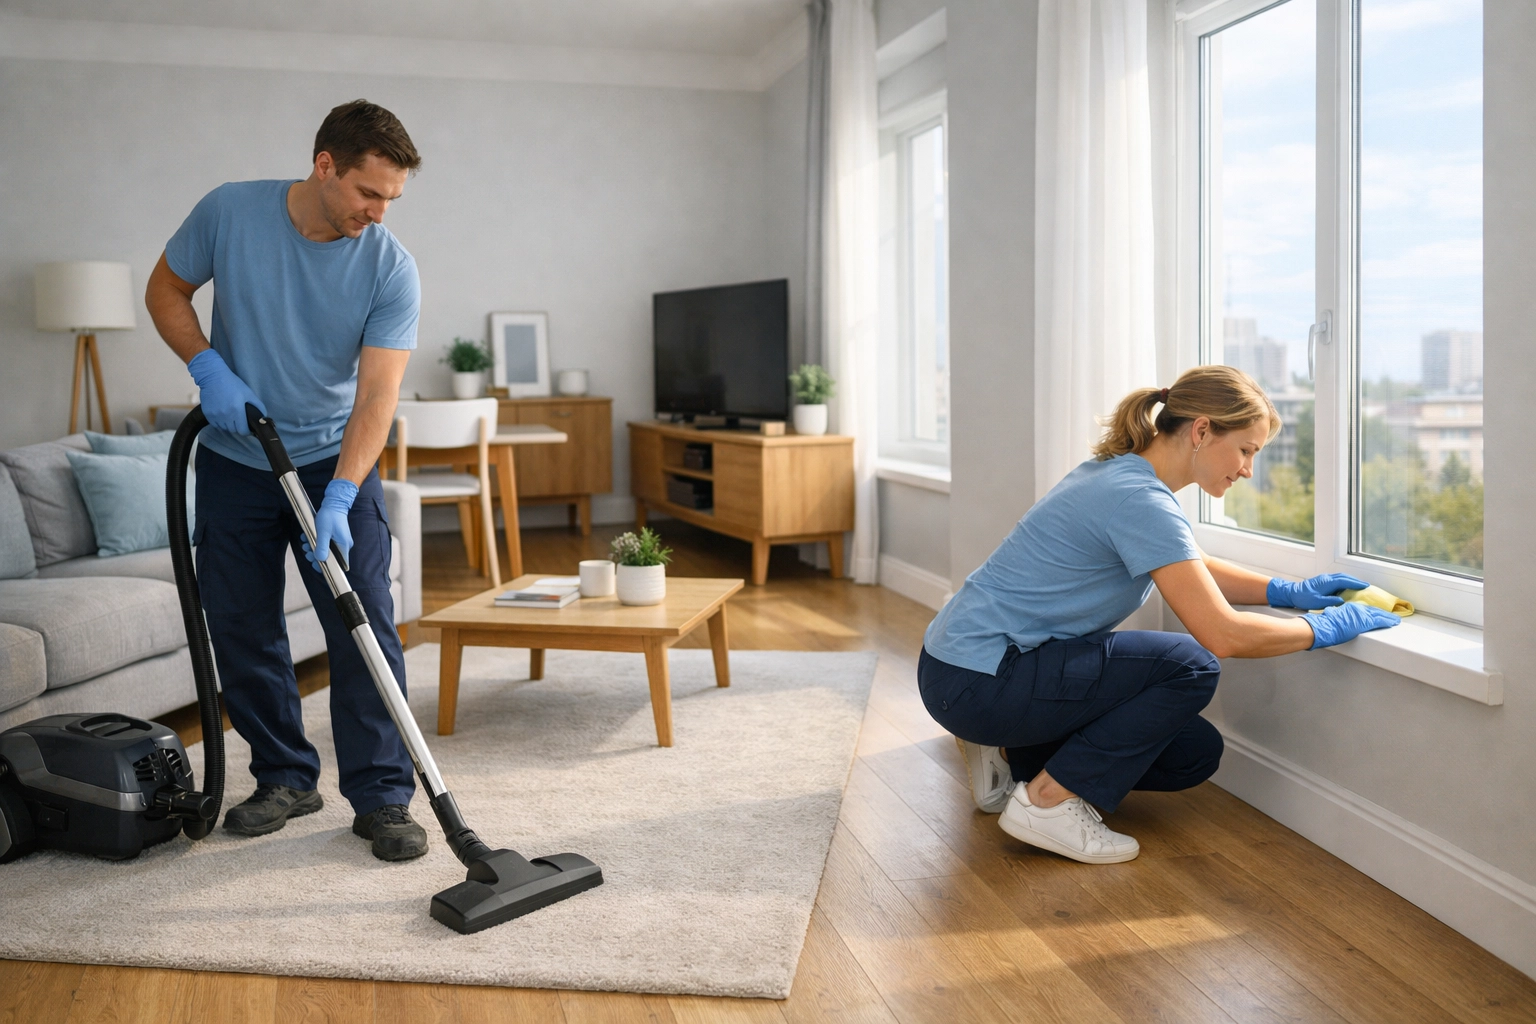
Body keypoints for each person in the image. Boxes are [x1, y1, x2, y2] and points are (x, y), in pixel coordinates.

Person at [919, 365, 1401, 865]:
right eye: (1246, 450)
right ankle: (1045, 804)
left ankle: (1008, 753)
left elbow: (1189, 563)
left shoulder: (1118, 474)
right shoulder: (1138, 498)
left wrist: (1286, 590)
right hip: (982, 679)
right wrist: (1324, 628)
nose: (1247, 470)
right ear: (1201, 430)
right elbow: (1223, 635)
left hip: (960, 668)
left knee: (1192, 752)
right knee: (1191, 664)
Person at [144, 100, 428, 860]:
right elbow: (164, 290)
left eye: (391, 200)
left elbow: (377, 398)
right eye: (369, 193)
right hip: (239, 457)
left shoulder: (389, 268)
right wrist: (207, 366)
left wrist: (341, 493)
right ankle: (285, 778)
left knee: (361, 620)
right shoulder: (231, 212)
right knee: (240, 624)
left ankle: (382, 796)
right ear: (325, 165)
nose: (378, 213)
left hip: (337, 460)